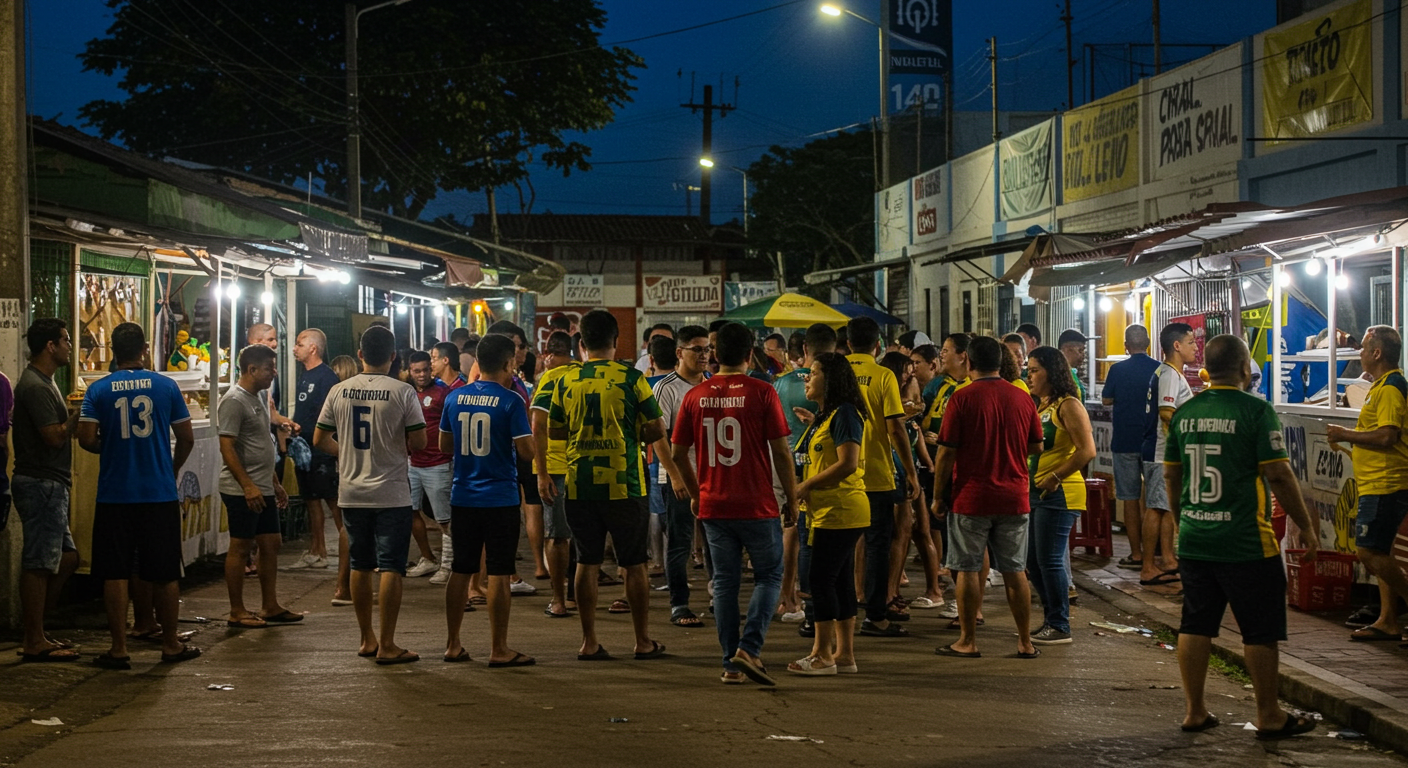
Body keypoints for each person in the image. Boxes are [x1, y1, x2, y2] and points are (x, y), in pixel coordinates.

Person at [1164, 334, 1320, 739]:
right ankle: (1269, 714)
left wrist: (1184, 523)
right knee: (1260, 630)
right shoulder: (1255, 411)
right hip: (1246, 541)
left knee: (1195, 624)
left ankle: (1194, 710)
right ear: (1243, 367)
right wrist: (1306, 523)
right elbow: (1279, 474)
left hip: (1197, 539)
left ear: (1207, 369)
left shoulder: (1185, 413)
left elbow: (1171, 475)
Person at [671, 322, 797, 685]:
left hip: (714, 504)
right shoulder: (762, 392)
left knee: (724, 582)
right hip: (757, 503)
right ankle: (750, 648)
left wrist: (696, 494)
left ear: (715, 353)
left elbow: (679, 454)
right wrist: (791, 496)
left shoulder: (695, 396)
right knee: (770, 575)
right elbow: (781, 452)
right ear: (749, 354)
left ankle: (730, 662)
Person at [78, 322, 200, 668]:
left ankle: (118, 649)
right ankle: (170, 644)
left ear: (114, 351)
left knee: (115, 571)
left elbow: (86, 438)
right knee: (164, 571)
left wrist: (112, 447)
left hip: (115, 494)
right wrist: (171, 467)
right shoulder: (166, 386)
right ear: (144, 349)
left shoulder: (98, 390)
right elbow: (187, 437)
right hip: (158, 492)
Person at [548, 309, 667, 661]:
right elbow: (657, 430)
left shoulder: (564, 381)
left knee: (586, 561)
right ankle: (642, 640)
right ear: (616, 342)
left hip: (580, 483)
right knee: (634, 563)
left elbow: (555, 430)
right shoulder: (633, 379)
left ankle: (588, 641)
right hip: (624, 483)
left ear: (581, 344)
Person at [314, 325, 427, 665]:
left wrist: (345, 453)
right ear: (394, 357)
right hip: (391, 492)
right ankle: (389, 643)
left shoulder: (339, 391)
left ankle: (367, 639)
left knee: (360, 566)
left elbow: (319, 439)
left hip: (351, 490)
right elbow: (420, 442)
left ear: (360, 354)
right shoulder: (403, 391)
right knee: (392, 566)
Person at [932, 335, 1043, 659]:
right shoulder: (1022, 397)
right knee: (1015, 570)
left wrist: (939, 496)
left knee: (966, 569)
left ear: (969, 361)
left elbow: (946, 454)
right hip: (1014, 495)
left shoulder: (961, 398)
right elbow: (1036, 445)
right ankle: (1025, 641)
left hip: (972, 496)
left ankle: (968, 640)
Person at [439, 334, 537, 667]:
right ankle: (498, 648)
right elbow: (526, 452)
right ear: (509, 363)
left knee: (461, 569)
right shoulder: (512, 401)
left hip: (463, 495)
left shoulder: (454, 398)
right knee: (498, 572)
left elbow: (444, 446)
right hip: (500, 498)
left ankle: (453, 644)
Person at [787, 352, 867, 675]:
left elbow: (848, 462)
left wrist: (804, 488)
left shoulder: (845, 413)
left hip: (840, 509)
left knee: (820, 581)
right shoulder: (826, 416)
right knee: (840, 582)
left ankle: (822, 654)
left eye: (814, 372)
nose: (807, 377)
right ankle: (844, 654)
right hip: (827, 511)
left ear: (831, 379)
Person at [1327, 326, 1408, 643]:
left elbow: (1388, 436)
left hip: (1386, 483)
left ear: (1377, 353)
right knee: (1382, 551)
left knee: (1369, 552)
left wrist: (1345, 434)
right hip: (1376, 481)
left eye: (1364, 348)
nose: (1359, 352)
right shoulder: (1380, 386)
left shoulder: (1390, 388)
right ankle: (1388, 621)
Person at [844, 317, 920, 638]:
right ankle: (875, 616)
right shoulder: (883, 375)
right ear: (877, 346)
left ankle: (831, 613)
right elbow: (894, 426)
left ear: (848, 344)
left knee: (839, 545)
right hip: (875, 473)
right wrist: (911, 471)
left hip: (839, 473)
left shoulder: (834, 370)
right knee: (877, 546)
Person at [218, 343, 300, 629]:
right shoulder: (234, 400)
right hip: (242, 488)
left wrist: (274, 482)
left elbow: (262, 442)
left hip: (263, 484)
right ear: (251, 369)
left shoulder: (260, 396)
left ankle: (270, 605)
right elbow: (227, 447)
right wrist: (248, 486)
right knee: (241, 546)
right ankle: (236, 610)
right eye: (269, 368)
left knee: (271, 542)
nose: (273, 373)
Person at [13, 319, 81, 662]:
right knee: (39, 563)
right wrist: (77, 416)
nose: (70, 345)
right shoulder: (36, 386)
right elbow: (53, 435)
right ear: (50, 346)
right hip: (41, 482)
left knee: (67, 558)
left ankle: (38, 627)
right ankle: (32, 638)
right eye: (66, 340)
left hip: (50, 481)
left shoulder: (46, 382)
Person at [1025, 346, 1096, 645]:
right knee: (1031, 561)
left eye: (1034, 371)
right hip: (1036, 493)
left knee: (1050, 560)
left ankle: (1059, 624)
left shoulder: (1068, 405)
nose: (1028, 376)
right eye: (1027, 370)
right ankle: (1051, 617)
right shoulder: (1039, 406)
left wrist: (1055, 477)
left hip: (1060, 493)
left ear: (1052, 372)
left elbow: (1087, 450)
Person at [650, 325, 712, 628]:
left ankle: (718, 597)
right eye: (697, 349)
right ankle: (680, 603)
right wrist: (674, 476)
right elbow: (658, 438)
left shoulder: (713, 384)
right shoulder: (666, 388)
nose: (703, 355)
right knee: (680, 542)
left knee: (716, 541)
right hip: (678, 479)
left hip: (712, 478)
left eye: (707, 349)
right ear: (680, 353)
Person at [774, 323, 829, 628]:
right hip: (819, 465)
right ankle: (808, 599)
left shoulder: (779, 384)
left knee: (789, 530)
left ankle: (787, 596)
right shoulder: (830, 383)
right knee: (813, 534)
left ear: (805, 350)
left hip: (785, 463)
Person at [292, 330, 354, 601]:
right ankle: (318, 551)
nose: (295, 348)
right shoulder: (304, 374)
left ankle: (349, 551)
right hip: (304, 448)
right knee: (311, 499)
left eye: (299, 344)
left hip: (323, 451)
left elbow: (329, 417)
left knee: (333, 503)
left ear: (313, 348)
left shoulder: (327, 378)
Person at [1140, 322, 1197, 587]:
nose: (1195, 347)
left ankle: (1168, 559)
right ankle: (1148, 566)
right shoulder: (1169, 375)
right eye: (1191, 342)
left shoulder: (1169, 373)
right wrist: (1179, 444)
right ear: (1176, 345)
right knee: (1155, 507)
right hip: (1161, 452)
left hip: (1163, 451)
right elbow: (1166, 413)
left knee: (1163, 508)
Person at [1102, 325, 1160, 570]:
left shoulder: (1117, 369)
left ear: (1126, 345)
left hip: (1124, 441)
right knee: (1154, 499)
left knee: (1129, 498)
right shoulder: (1159, 368)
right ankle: (1155, 552)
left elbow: (1106, 399)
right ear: (1148, 342)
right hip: (1152, 441)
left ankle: (1136, 554)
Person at [533, 331, 580, 618]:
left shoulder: (550, 380)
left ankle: (559, 599)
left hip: (556, 467)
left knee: (557, 536)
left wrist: (541, 472)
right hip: (585, 464)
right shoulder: (586, 376)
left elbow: (538, 426)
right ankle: (579, 596)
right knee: (583, 535)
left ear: (548, 353)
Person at [406, 351, 454, 584]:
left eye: (426, 369)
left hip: (438, 463)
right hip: (412, 463)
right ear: (410, 370)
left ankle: (448, 565)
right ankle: (427, 558)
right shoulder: (406, 392)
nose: (422, 374)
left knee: (444, 518)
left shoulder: (444, 392)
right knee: (411, 511)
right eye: (417, 371)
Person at [1056, 328, 1089, 401]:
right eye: (1080, 350)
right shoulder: (1058, 375)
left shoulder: (1071, 373)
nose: (1083, 355)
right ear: (1067, 349)